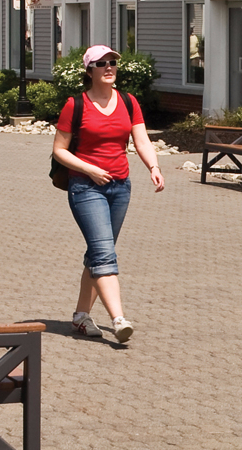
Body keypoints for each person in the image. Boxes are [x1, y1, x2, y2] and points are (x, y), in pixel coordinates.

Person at [52, 44, 164, 345]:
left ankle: (80, 316)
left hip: (120, 188)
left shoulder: (128, 101)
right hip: (86, 188)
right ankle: (119, 319)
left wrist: (153, 166)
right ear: (89, 71)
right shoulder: (75, 105)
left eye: (113, 62)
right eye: (101, 64)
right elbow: (59, 151)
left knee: (98, 253)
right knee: (104, 254)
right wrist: (89, 169)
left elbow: (140, 138)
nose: (109, 68)